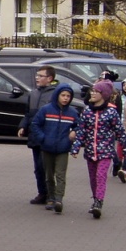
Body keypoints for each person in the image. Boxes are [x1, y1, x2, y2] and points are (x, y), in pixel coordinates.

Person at [71, 80, 126, 219]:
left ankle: (99, 202)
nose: (92, 93)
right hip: (90, 152)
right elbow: (81, 131)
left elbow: (120, 132)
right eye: (92, 90)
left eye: (96, 91)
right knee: (93, 179)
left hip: (105, 152)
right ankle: (95, 200)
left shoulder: (111, 112)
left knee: (101, 176)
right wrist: (75, 148)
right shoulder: (87, 112)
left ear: (103, 94)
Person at [32, 84, 79, 214]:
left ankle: (59, 199)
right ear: (57, 95)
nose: (65, 98)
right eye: (63, 95)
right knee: (49, 175)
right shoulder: (46, 110)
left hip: (63, 148)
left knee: (60, 174)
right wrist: (42, 138)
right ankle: (51, 197)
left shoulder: (72, 112)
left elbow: (80, 126)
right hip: (47, 147)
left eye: (68, 96)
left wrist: (74, 132)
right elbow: (35, 124)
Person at [18, 65, 58, 205]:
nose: (37, 78)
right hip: (34, 136)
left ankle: (51, 195)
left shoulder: (54, 94)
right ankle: (42, 193)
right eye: (37, 76)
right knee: (38, 167)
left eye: (40, 76)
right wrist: (23, 126)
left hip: (47, 135)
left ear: (50, 78)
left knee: (47, 166)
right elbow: (28, 113)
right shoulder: (33, 93)